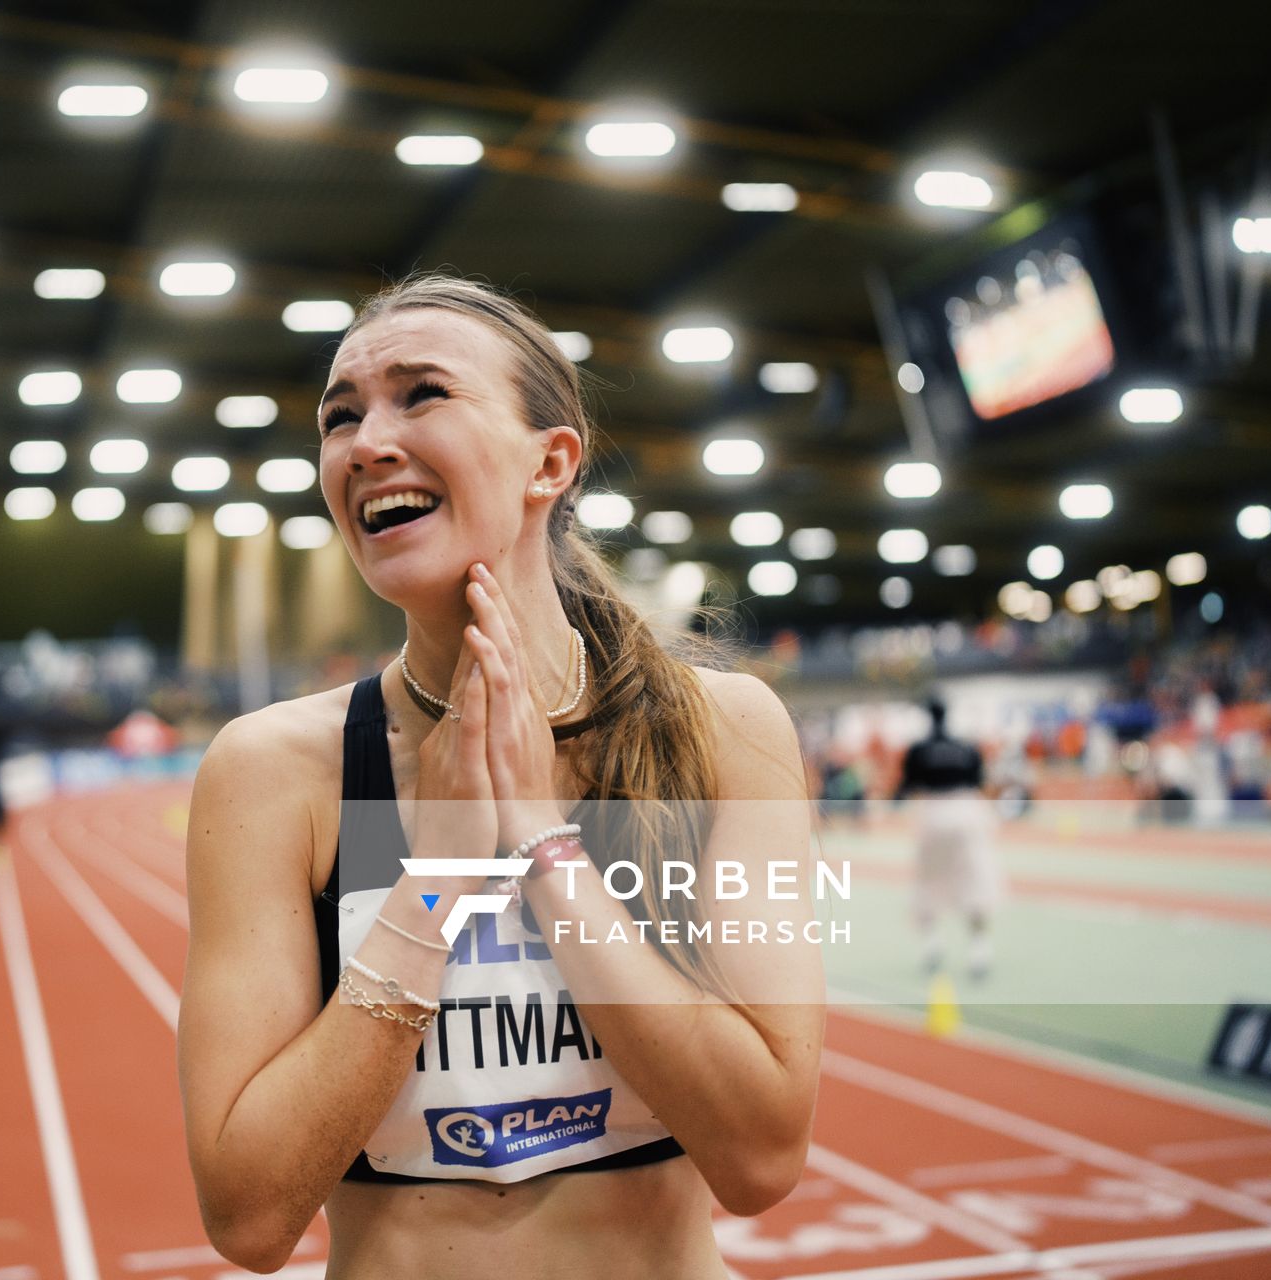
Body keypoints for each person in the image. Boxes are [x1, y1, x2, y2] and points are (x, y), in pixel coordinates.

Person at [179, 276, 823, 1278]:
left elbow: (761, 1155)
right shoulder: (271, 772)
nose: (366, 442)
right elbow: (249, 1215)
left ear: (550, 461)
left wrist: (545, 846)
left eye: (421, 393)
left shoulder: (724, 733)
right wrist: (433, 883)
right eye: (339, 417)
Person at [895, 693, 1001, 979]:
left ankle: (932, 945)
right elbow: (980, 782)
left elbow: (904, 787)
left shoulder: (918, 749)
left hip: (933, 814)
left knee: (927, 882)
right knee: (975, 880)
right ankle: (980, 948)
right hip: (967, 812)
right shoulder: (966, 747)